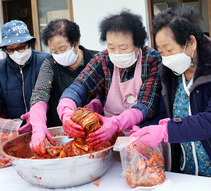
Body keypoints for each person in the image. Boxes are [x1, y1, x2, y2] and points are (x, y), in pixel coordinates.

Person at [130, 6, 211, 180]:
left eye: (169, 50)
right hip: (187, 171)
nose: (166, 57)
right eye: (161, 52)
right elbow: (163, 113)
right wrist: (144, 130)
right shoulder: (170, 73)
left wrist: (165, 131)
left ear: (191, 42)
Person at [57, 10, 162, 148]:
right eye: (111, 47)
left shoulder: (151, 59)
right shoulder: (103, 59)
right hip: (107, 136)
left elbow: (147, 105)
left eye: (123, 48)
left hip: (143, 137)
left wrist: (116, 123)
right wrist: (66, 111)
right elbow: (79, 86)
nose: (117, 53)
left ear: (137, 45)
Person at [18, 19, 99, 155]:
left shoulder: (96, 60)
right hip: (61, 131)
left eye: (63, 49)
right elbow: (40, 93)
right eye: (54, 51)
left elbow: (103, 94)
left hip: (94, 132)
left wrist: (89, 112)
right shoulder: (50, 64)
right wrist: (38, 122)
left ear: (77, 42)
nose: (59, 54)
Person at [0, 20, 49, 129]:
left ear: (29, 44)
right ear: (5, 49)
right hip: (17, 128)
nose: (17, 53)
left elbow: (54, 93)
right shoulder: (1, 67)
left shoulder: (45, 61)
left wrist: (38, 112)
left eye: (21, 47)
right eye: (11, 49)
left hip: (46, 125)